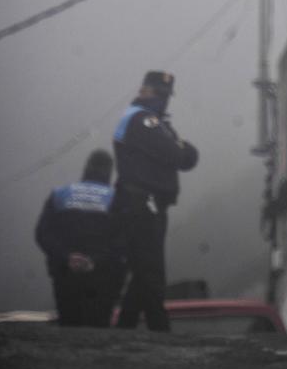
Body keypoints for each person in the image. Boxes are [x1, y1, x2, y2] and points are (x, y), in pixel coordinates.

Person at [112, 70, 199, 331]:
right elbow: (176, 154)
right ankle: (159, 331)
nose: (163, 99)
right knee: (151, 273)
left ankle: (125, 328)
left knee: (143, 273)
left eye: (165, 95)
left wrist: (181, 149)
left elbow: (189, 157)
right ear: (144, 91)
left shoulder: (157, 122)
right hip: (140, 204)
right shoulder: (142, 120)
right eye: (158, 93)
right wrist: (180, 148)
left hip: (148, 204)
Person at [35, 150, 124, 327]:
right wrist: (94, 261)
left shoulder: (59, 194)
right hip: (102, 276)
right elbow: (124, 240)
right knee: (97, 327)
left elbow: (42, 233)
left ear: (86, 169)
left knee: (69, 323)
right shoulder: (117, 200)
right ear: (110, 171)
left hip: (65, 274)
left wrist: (66, 257)